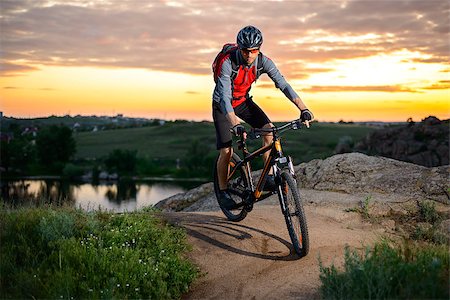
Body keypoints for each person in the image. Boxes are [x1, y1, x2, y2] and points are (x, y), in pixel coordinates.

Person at [212, 25, 314, 209]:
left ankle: (268, 178)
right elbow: (225, 98)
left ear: (259, 48)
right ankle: (223, 190)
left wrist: (303, 108)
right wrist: (235, 123)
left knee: (269, 130)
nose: (249, 55)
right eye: (245, 50)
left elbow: (283, 84)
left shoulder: (263, 61)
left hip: (243, 102)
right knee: (226, 151)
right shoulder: (227, 62)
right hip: (222, 105)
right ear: (239, 47)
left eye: (254, 50)